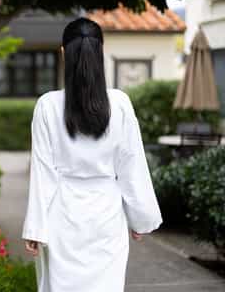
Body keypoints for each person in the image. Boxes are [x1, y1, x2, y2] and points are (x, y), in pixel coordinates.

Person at [21, 17, 162, 292]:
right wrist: (140, 218)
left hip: (62, 218)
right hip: (107, 218)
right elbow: (131, 165)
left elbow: (43, 173)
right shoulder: (120, 104)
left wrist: (35, 228)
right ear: (101, 50)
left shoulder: (47, 106)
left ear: (63, 53)